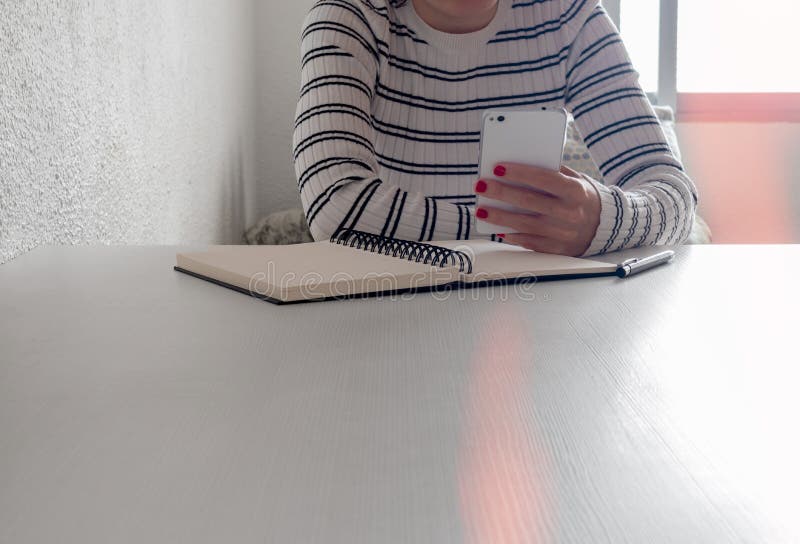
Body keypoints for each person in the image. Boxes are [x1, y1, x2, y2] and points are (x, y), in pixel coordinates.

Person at [293, 0, 697, 256]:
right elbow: (334, 205)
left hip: (532, 311)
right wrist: (525, 231)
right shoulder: (350, 17)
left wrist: (598, 219)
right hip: (394, 306)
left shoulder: (569, 17)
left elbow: (676, 198)